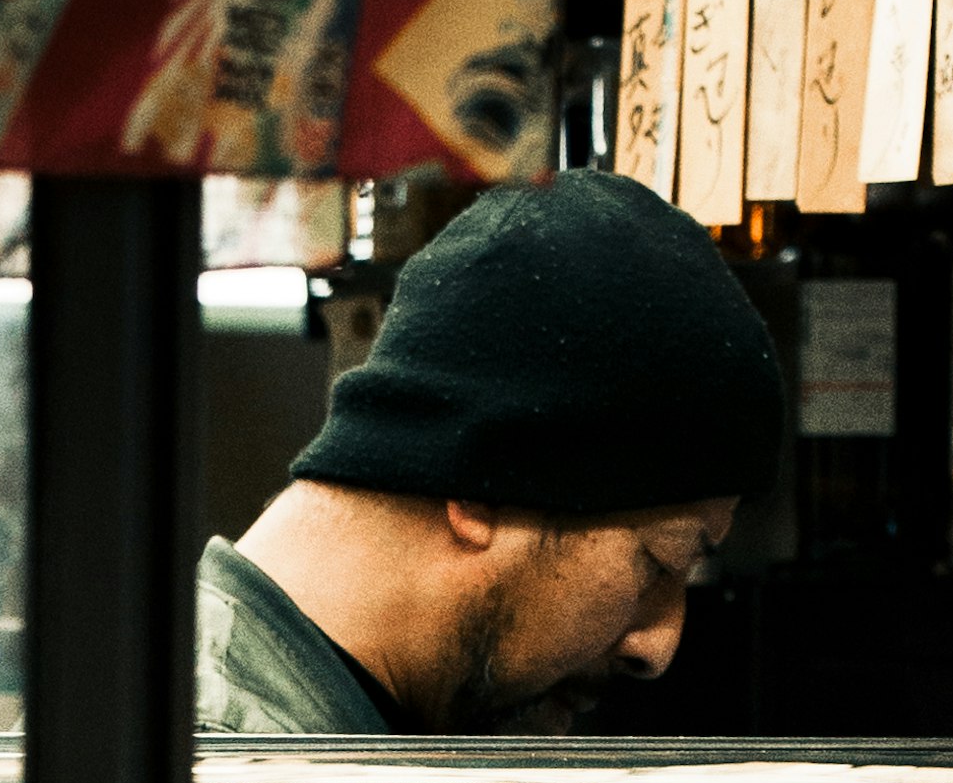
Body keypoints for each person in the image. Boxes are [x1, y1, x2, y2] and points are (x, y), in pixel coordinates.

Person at [199, 168, 785, 741]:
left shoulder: (325, 740)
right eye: (660, 561)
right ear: (486, 489)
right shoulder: (220, 773)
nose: (658, 648)